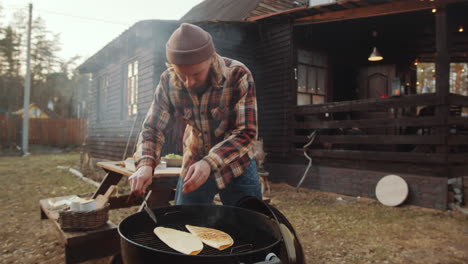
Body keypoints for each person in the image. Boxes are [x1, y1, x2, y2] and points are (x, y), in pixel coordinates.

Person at [129, 23, 261, 206]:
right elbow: (153, 128)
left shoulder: (238, 74)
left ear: (212, 59)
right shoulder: (168, 81)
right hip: (194, 160)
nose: (189, 83)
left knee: (250, 225)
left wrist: (209, 162)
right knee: (184, 221)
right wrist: (145, 165)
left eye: (197, 74)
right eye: (182, 75)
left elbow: (246, 132)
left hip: (236, 163)